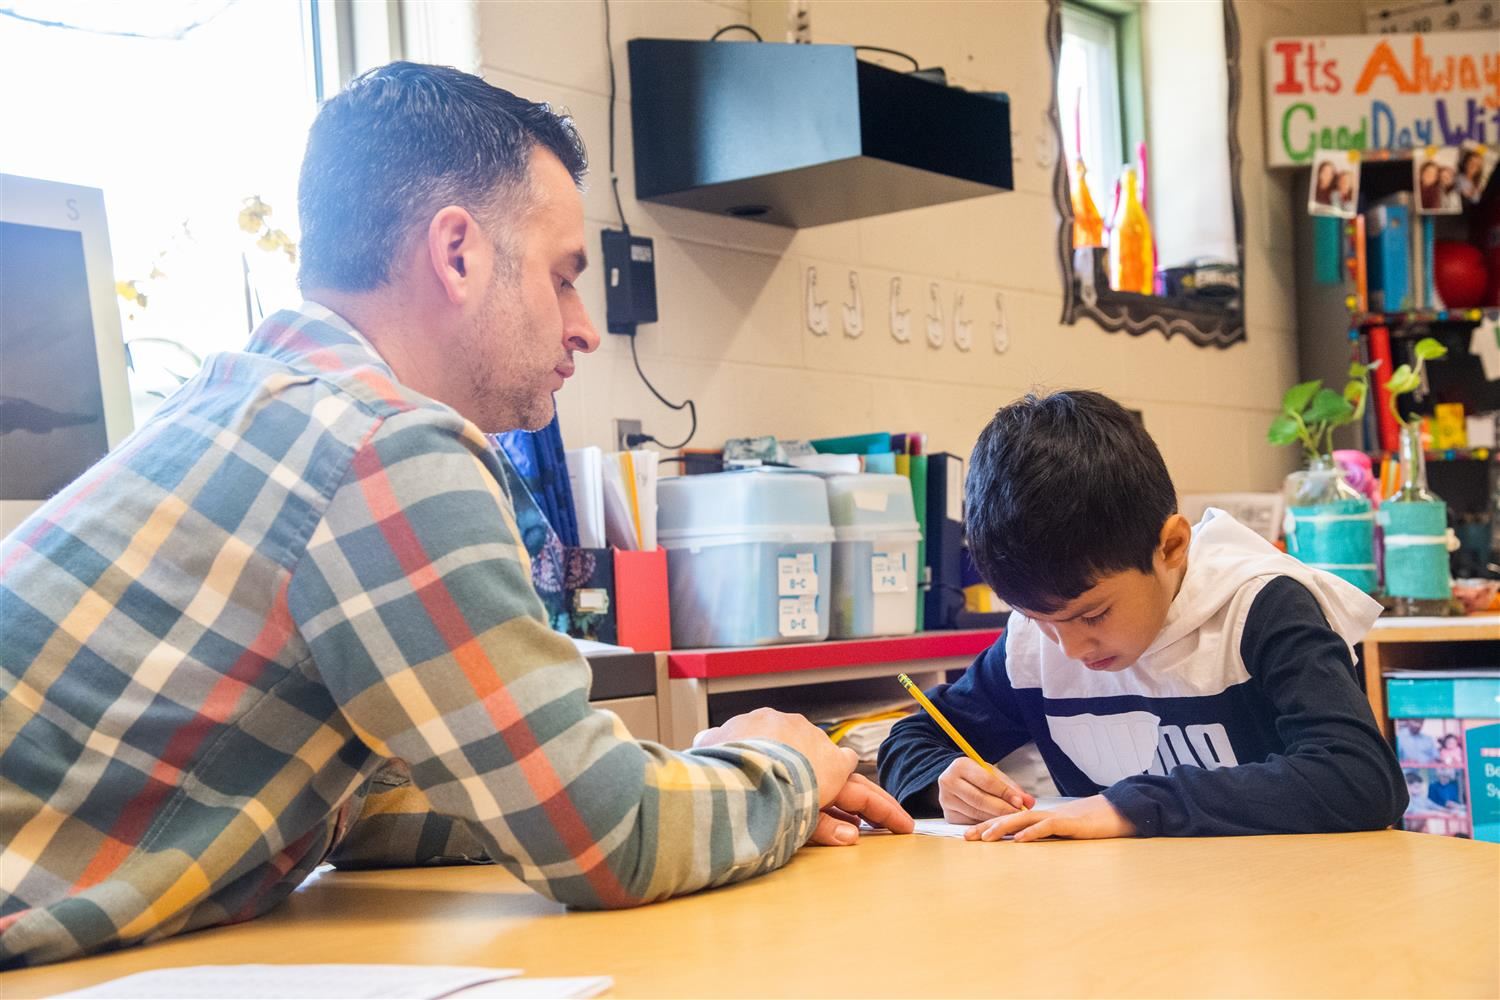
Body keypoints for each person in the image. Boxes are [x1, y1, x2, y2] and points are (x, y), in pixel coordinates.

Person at [0, 62, 911, 969]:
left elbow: (361, 807)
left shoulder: (253, 403)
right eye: (562, 278)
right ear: (458, 253)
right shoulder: (382, 446)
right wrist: (786, 766)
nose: (586, 326)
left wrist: (692, 782)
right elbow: (605, 837)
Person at [877, 390, 1407, 842]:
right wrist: (941, 779)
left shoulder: (1259, 607)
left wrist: (1131, 807)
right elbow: (912, 739)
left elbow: (1359, 777)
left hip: (1288, 914)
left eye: (1094, 615)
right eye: (1038, 619)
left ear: (1172, 546)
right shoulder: (1038, 642)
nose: (1071, 650)